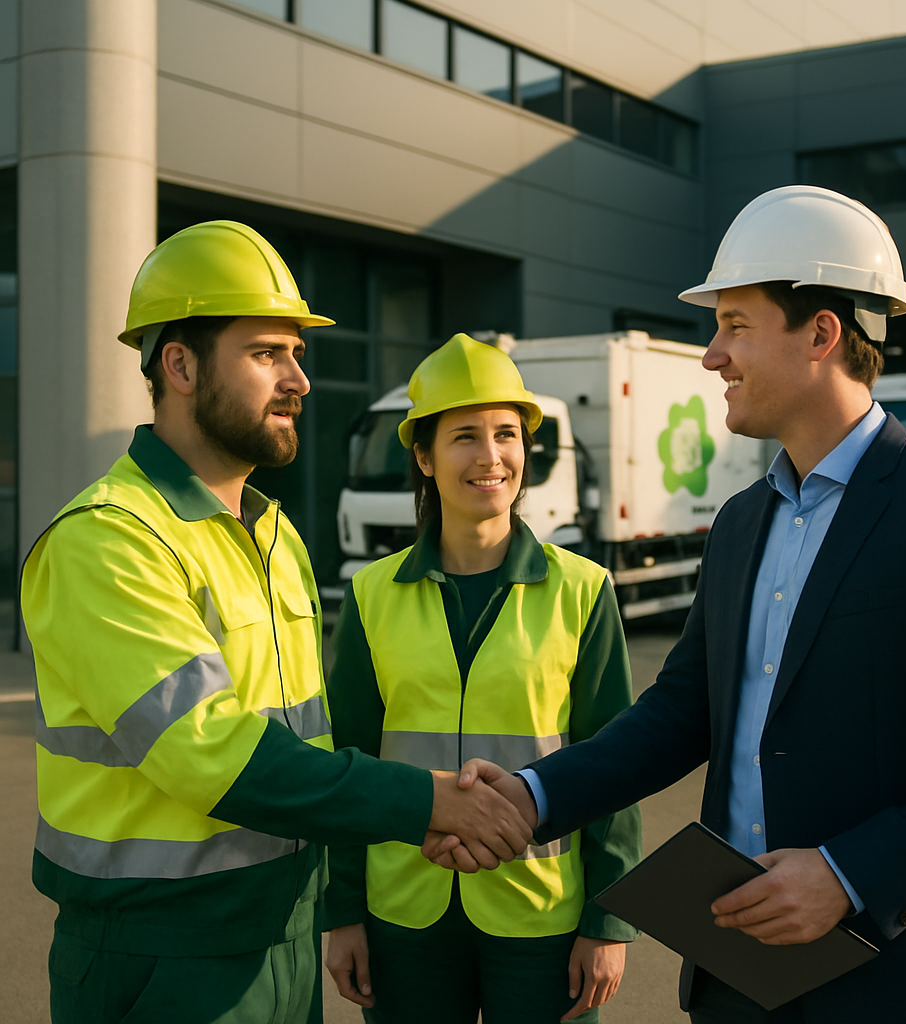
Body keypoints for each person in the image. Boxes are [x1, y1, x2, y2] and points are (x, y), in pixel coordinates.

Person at [427, 186, 906, 1023]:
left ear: (821, 333)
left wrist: (851, 875)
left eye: (734, 325)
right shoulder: (744, 520)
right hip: (740, 972)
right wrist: (531, 797)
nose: (712, 356)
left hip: (898, 982)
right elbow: (681, 712)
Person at [22, 222, 532, 1024]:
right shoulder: (106, 540)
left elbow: (312, 751)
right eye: (267, 354)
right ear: (179, 365)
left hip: (283, 938)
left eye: (297, 353)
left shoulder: (274, 534)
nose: (298, 379)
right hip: (164, 955)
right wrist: (428, 804)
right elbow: (214, 758)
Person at [322, 333, 642, 1023]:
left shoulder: (583, 590)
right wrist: (342, 911)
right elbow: (347, 762)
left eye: (507, 434)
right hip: (404, 910)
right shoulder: (372, 594)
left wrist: (608, 921)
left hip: (542, 912)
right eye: (465, 436)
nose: (491, 456)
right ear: (423, 455)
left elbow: (617, 762)